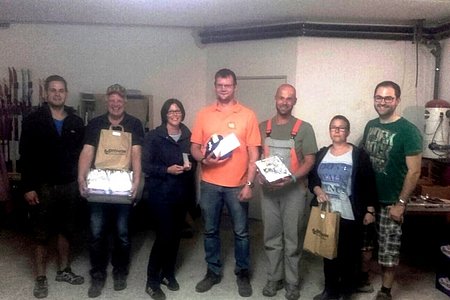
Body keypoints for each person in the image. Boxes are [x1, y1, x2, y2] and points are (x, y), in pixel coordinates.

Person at [190, 68, 261, 297]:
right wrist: (204, 159)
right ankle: (213, 271)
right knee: (210, 231)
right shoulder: (203, 114)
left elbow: (254, 154)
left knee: (241, 232)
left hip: (238, 184)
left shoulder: (248, 115)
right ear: (215, 86)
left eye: (227, 85)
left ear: (235, 87)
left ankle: (242, 273)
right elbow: (194, 147)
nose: (223, 89)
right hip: (209, 183)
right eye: (220, 85)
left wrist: (250, 185)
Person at [19, 75, 85, 298]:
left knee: (66, 229)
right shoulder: (32, 120)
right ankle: (40, 278)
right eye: (53, 90)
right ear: (45, 94)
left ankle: (64, 270)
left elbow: (82, 155)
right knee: (41, 234)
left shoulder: (76, 121)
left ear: (66, 93)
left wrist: (81, 181)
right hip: (42, 185)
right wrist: (27, 186)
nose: (57, 94)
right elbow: (24, 155)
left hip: (68, 185)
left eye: (61, 90)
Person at [78, 84, 144, 298]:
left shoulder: (134, 124)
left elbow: (136, 155)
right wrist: (81, 177)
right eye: (112, 100)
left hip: (123, 184)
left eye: (120, 100)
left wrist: (137, 182)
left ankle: (120, 271)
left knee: (122, 233)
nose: (116, 104)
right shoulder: (95, 124)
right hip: (99, 183)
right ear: (107, 102)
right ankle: (97, 274)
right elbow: (87, 152)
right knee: (97, 232)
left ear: (125, 102)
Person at [361, 81, 422, 300]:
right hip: (368, 200)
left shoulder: (408, 131)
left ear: (397, 100)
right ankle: (364, 279)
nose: (383, 102)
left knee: (388, 249)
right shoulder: (370, 125)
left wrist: (401, 204)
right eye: (379, 97)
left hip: (391, 202)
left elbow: (414, 171)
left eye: (388, 98)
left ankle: (385, 291)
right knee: (365, 245)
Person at [257, 84, 317, 300]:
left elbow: (310, 160)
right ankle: (274, 278)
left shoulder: (304, 128)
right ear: (275, 99)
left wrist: (292, 178)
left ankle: (292, 282)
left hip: (294, 191)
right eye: (281, 97)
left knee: (292, 239)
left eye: (289, 98)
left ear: (295, 101)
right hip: (269, 192)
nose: (284, 102)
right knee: (271, 238)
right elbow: (256, 155)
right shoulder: (263, 126)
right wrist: (259, 175)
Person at [308, 115, 377, 300]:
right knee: (328, 253)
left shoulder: (358, 155)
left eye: (341, 128)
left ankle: (347, 292)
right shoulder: (322, 153)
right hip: (327, 212)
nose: (337, 131)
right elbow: (312, 178)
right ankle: (330, 291)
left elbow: (369, 182)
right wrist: (317, 190)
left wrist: (370, 210)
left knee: (348, 255)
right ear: (329, 130)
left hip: (349, 212)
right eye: (333, 127)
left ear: (347, 131)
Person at [142, 99, 196, 300]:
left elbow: (193, 160)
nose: (175, 114)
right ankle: (151, 281)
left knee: (175, 236)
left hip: (181, 194)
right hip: (161, 194)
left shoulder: (188, 136)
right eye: (171, 111)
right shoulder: (154, 137)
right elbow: (146, 165)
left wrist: (190, 165)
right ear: (165, 114)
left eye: (178, 111)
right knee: (163, 236)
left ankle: (168, 274)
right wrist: (167, 170)